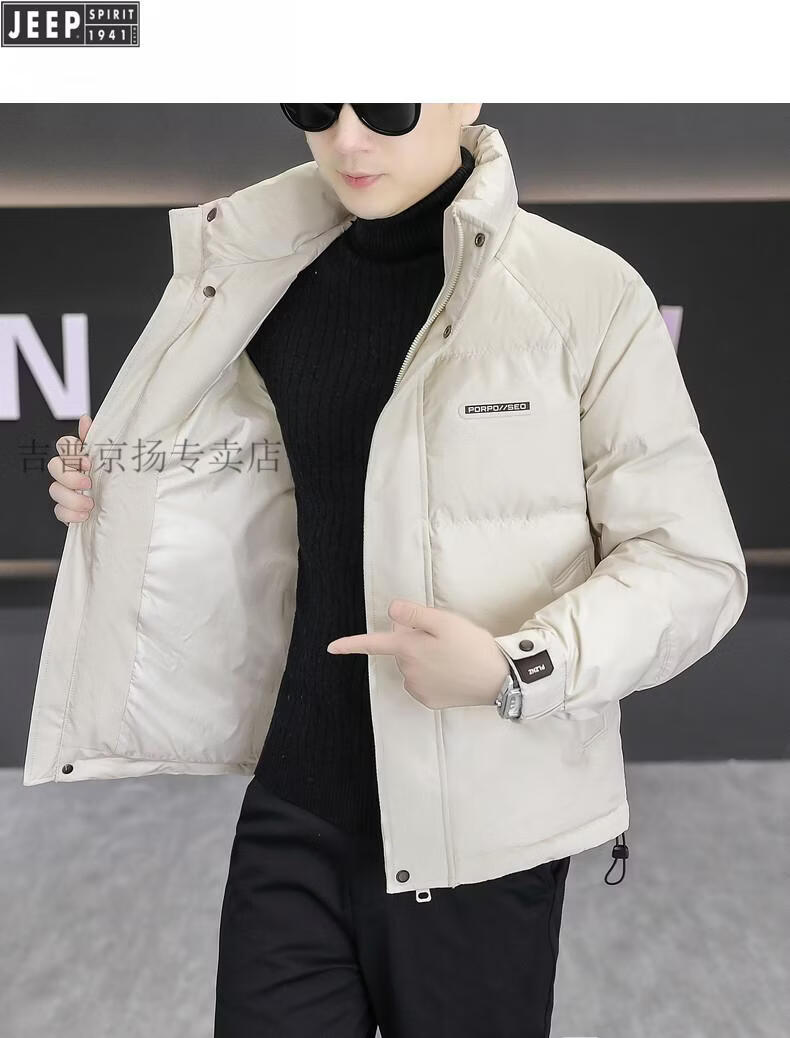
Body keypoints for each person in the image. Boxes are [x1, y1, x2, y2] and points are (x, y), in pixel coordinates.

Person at [41, 104, 748, 1037]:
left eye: (385, 105)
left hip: (481, 832)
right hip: (296, 802)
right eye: (314, 104)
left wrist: (515, 667)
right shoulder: (257, 273)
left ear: (464, 93)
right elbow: (267, 497)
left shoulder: (583, 292)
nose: (346, 139)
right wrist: (118, 489)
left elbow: (691, 564)